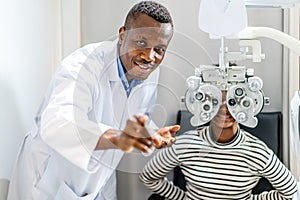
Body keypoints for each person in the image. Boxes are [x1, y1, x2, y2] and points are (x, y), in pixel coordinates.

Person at [7, 1, 180, 199]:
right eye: (141, 43)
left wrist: (152, 132)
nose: (150, 57)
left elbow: (135, 117)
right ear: (122, 35)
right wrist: (120, 138)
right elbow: (58, 124)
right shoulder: (83, 66)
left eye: (159, 49)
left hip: (99, 180)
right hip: (48, 183)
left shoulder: (147, 72)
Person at [140, 91, 298, 200]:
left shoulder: (257, 152)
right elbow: (148, 177)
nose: (224, 108)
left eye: (232, 101)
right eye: (215, 100)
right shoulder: (186, 144)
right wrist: (183, 198)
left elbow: (291, 191)